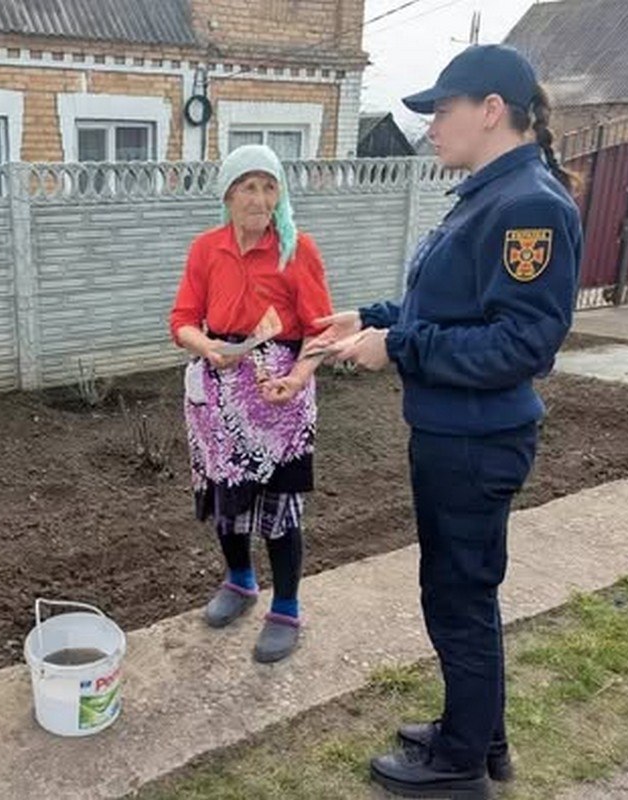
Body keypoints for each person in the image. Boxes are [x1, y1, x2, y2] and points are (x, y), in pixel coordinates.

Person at [309, 45, 583, 797]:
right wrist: (367, 318)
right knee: (466, 592)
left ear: (491, 109)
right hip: (457, 433)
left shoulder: (527, 206)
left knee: (457, 597)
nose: (430, 126)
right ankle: (478, 736)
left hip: (474, 440)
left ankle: (461, 766)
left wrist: (396, 345)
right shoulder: (491, 196)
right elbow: (452, 312)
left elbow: (521, 342)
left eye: (442, 110)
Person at [170, 144, 334, 664]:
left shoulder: (296, 249)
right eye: (248, 186)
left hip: (277, 394)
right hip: (217, 394)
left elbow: (320, 332)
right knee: (227, 499)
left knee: (280, 507)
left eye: (269, 186)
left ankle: (285, 607)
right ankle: (239, 582)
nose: (260, 198)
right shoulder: (206, 249)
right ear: (228, 194)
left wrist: (300, 374)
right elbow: (182, 319)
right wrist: (207, 347)